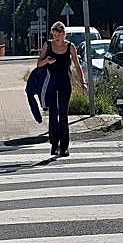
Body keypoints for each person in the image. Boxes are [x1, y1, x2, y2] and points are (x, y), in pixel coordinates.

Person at [37, 21, 86, 157]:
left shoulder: (70, 46)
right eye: (54, 35)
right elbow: (38, 64)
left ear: (64, 34)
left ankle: (64, 147)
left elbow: (77, 65)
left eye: (58, 35)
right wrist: (47, 60)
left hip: (65, 83)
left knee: (63, 115)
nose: (56, 38)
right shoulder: (47, 45)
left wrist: (83, 82)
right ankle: (54, 144)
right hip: (51, 83)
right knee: (53, 114)